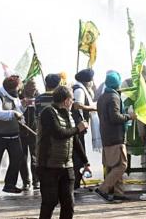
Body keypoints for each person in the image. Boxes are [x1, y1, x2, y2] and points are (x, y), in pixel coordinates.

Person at [37, 85, 90, 219]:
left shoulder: (69, 115)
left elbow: (75, 140)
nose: (73, 102)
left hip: (67, 166)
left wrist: (85, 161)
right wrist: (78, 128)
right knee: (50, 202)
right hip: (49, 165)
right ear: (66, 100)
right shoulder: (48, 113)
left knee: (68, 203)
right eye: (72, 99)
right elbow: (58, 133)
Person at [95, 71, 136, 201]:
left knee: (114, 165)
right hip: (115, 136)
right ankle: (103, 189)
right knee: (122, 165)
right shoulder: (113, 97)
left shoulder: (102, 97)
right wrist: (130, 116)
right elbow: (115, 117)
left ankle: (119, 192)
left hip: (106, 136)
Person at [0, 75, 25, 197]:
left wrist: (23, 106)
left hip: (13, 134)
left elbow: (18, 111)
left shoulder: (15, 96)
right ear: (12, 88)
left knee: (17, 158)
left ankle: (10, 185)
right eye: (18, 88)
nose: (19, 91)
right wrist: (13, 113)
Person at [72, 68, 96, 189]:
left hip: (80, 126)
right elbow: (77, 105)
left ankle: (77, 181)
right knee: (78, 155)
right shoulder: (79, 90)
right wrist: (93, 108)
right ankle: (75, 182)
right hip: (77, 126)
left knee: (79, 154)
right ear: (88, 81)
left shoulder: (80, 88)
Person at [19, 79, 39, 190]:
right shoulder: (19, 97)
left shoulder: (39, 96)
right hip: (21, 132)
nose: (33, 89)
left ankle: (36, 181)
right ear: (25, 87)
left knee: (35, 157)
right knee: (22, 158)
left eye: (35, 86)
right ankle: (26, 181)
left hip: (34, 132)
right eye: (31, 87)